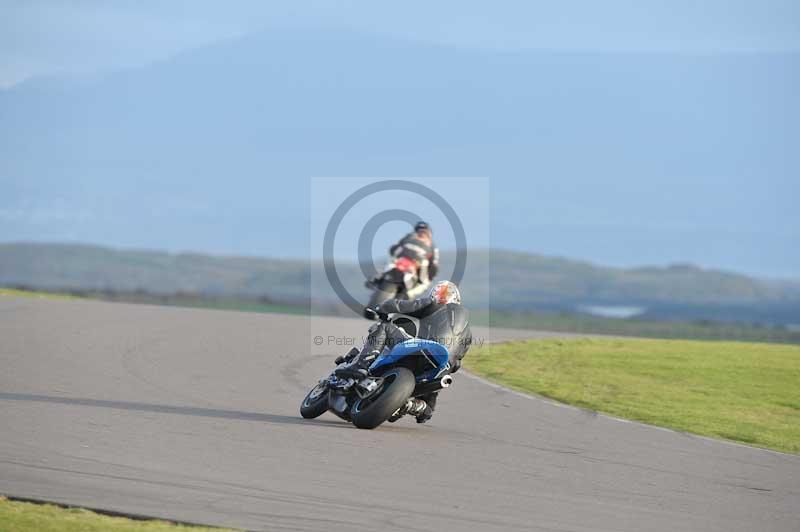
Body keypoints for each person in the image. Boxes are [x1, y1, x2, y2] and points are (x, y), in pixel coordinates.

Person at [336, 280, 471, 423]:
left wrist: (381, 307)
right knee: (431, 394)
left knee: (384, 327)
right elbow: (457, 363)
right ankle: (419, 406)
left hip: (424, 349)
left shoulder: (433, 304)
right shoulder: (468, 332)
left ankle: (360, 366)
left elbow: (400, 306)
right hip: (442, 367)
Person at [386, 221, 440, 299]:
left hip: (416, 266)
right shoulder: (408, 238)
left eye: (424, 231)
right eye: (419, 231)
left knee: (425, 283)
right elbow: (395, 248)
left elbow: (434, 263)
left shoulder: (432, 247)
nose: (422, 233)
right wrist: (397, 250)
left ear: (429, 233)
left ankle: (410, 293)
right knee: (391, 262)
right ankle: (380, 276)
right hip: (401, 261)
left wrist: (431, 272)